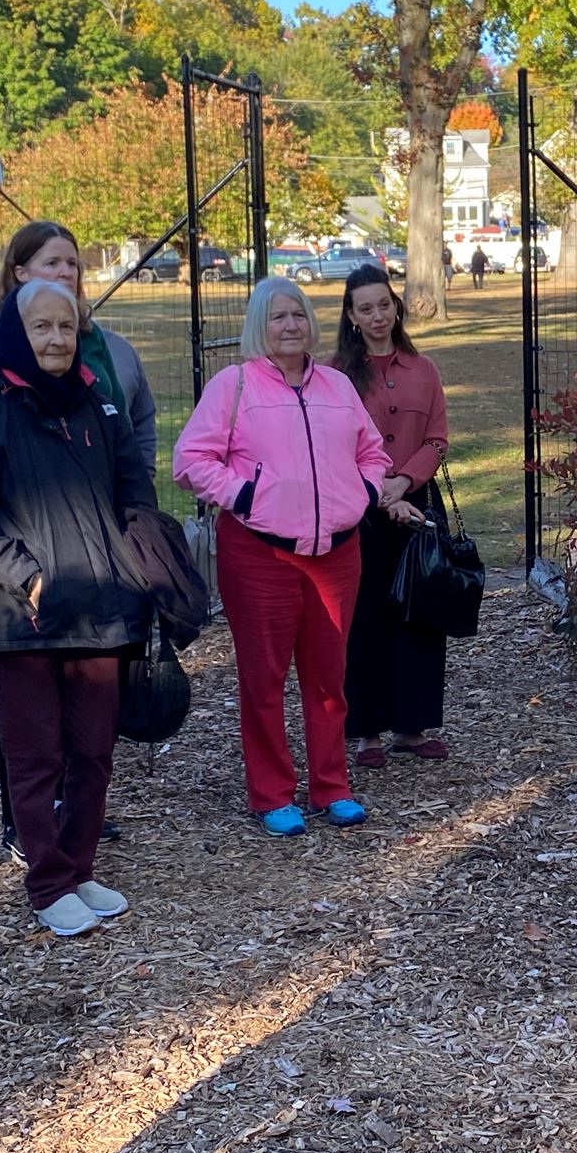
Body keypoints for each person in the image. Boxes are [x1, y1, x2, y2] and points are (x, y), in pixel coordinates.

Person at [0, 280, 155, 936]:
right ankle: (48, 881)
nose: (56, 340)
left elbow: (133, 495)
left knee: (93, 750)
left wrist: (138, 566)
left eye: (66, 327)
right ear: (14, 335)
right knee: (36, 757)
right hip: (22, 618)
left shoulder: (98, 411)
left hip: (100, 611)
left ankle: (79, 868)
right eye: (41, 328)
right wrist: (21, 576)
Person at [173, 277, 394, 836]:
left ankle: (331, 785)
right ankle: (272, 793)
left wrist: (365, 492)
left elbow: (372, 451)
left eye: (298, 315)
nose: (291, 325)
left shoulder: (338, 386)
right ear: (258, 327)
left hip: (337, 555)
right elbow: (191, 460)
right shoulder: (235, 386)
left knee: (328, 679)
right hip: (261, 556)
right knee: (264, 678)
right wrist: (246, 496)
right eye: (277, 317)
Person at [332, 264, 451, 768]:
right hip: (358, 508)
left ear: (395, 306)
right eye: (366, 309)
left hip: (416, 503)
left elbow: (437, 439)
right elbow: (332, 443)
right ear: (352, 317)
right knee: (365, 618)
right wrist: (380, 492)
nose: (378, 315)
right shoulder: (335, 374)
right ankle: (367, 733)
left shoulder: (423, 369)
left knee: (420, 612)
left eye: (384, 304)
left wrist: (403, 483)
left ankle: (412, 724)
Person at [0, 220, 156, 471]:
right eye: (52, 263)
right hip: (30, 481)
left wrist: (135, 484)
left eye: (72, 264)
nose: (66, 272)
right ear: (20, 272)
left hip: (102, 479)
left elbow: (120, 417)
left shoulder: (91, 334)